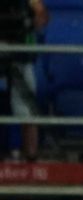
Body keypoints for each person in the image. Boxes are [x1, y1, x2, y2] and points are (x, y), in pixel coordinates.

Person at [0, 0, 46, 160]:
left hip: (21, 55)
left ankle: (31, 160)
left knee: (27, 109)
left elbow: (42, 17)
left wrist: (30, 24)